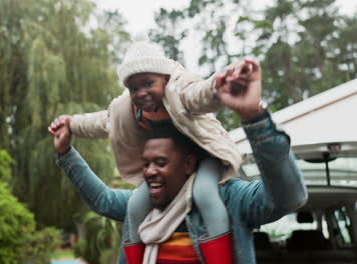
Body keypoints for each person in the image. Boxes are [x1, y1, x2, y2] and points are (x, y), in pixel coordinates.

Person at [49, 62, 308, 263]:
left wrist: (255, 118)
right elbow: (102, 200)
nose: (149, 171)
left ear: (188, 164)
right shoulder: (142, 206)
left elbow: (287, 197)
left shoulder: (230, 200)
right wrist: (66, 153)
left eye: (160, 163)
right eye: (146, 163)